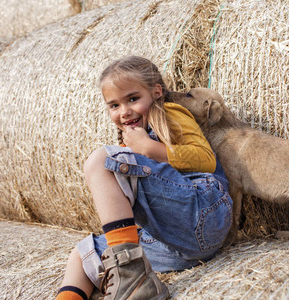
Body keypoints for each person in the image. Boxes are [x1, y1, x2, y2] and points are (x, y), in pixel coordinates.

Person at [56, 56, 233, 300]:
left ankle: (132, 278)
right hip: (173, 245)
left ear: (156, 92)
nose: (125, 111)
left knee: (100, 161)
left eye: (133, 99)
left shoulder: (170, 113)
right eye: (114, 105)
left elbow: (206, 159)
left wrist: (148, 148)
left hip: (203, 211)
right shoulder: (130, 138)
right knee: (84, 254)